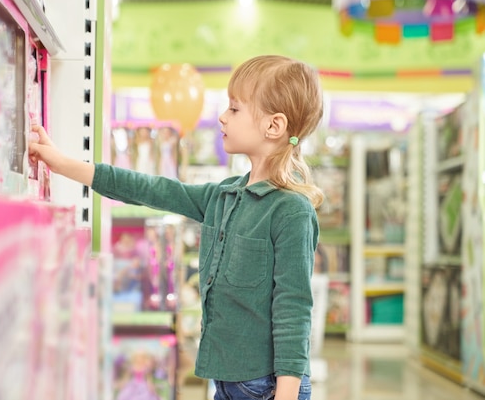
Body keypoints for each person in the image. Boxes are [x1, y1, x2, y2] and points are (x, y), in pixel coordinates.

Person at [28, 54, 324, 400]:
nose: (222, 116)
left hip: (267, 387)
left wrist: (286, 393)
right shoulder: (224, 196)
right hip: (227, 382)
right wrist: (63, 164)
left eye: (234, 108)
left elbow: (293, 307)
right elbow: (153, 189)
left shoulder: (291, 211)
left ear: (273, 126)